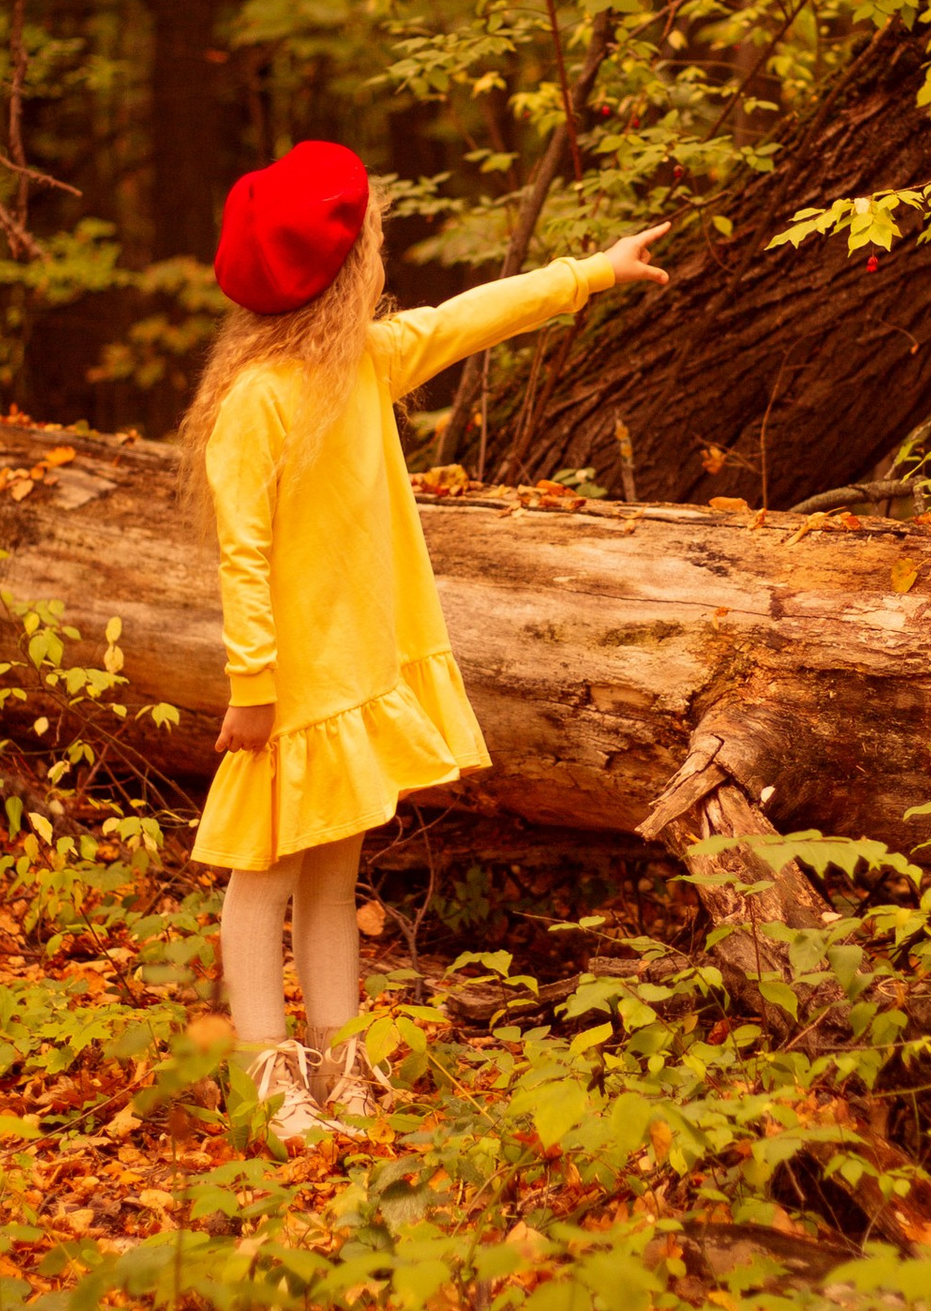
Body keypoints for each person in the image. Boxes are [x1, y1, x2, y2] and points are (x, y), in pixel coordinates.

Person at [182, 138, 669, 1137]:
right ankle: (263, 1073)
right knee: (260, 875)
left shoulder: (357, 364)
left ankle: (337, 1054)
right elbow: (243, 553)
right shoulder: (256, 404)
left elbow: (463, 320)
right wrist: (255, 683)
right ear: (346, 270)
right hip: (291, 690)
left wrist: (591, 272)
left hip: (358, 674)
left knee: (333, 872)